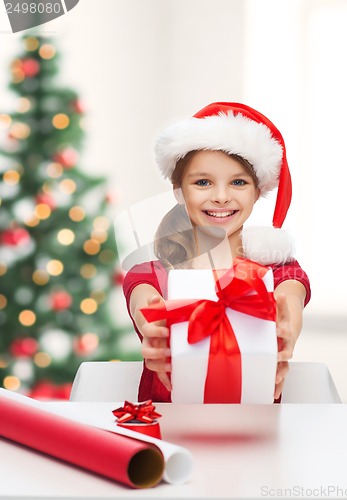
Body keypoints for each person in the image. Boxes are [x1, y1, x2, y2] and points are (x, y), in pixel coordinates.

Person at [122, 102, 311, 402]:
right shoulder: (150, 274)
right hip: (166, 436)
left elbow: (290, 295)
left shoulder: (278, 271)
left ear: (257, 191)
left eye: (238, 182)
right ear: (179, 190)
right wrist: (153, 325)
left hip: (257, 436)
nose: (221, 197)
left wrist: (287, 321)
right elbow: (143, 300)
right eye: (203, 182)